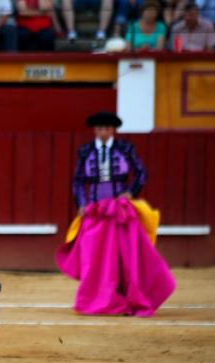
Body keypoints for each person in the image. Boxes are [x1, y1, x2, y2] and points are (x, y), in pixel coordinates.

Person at [55, 112, 175, 317]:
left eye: (106, 128)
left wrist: (130, 192)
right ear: (95, 130)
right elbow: (77, 180)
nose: (102, 132)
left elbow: (141, 173)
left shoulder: (125, 148)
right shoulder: (85, 150)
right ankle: (96, 298)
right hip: (95, 211)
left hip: (119, 211)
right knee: (93, 258)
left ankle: (126, 296)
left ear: (113, 130)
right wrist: (82, 203)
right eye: (99, 128)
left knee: (125, 256)